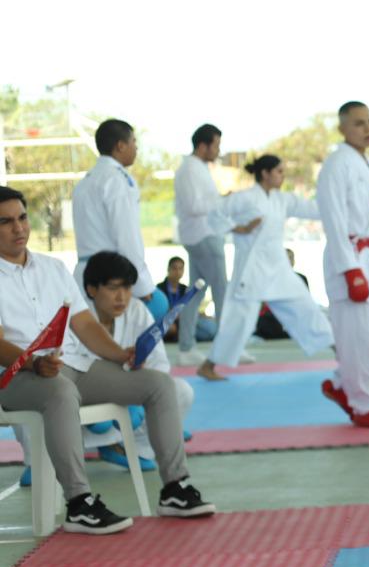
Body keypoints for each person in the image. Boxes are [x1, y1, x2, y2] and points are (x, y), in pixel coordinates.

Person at [0, 187, 215, 534]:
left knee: (158, 385)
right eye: (6, 222)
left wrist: (121, 355)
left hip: (73, 367)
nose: (19, 228)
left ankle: (175, 488)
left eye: (22, 218)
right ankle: (79, 503)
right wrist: (32, 364)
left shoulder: (53, 269)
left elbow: (83, 324)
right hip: (15, 377)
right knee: (59, 392)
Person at [199, 155, 334, 381]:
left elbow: (313, 209)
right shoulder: (246, 198)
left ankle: (338, 349)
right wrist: (237, 228)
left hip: (278, 267)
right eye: (279, 171)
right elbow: (214, 214)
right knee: (240, 320)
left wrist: (339, 203)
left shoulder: (283, 200)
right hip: (252, 270)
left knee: (305, 307)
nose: (283, 176)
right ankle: (208, 365)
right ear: (265, 173)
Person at [317, 101, 369, 428]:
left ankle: (341, 384)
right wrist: (349, 268)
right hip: (348, 254)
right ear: (342, 129)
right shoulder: (337, 163)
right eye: (358, 124)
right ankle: (364, 404)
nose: (367, 129)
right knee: (356, 338)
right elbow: (334, 218)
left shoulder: (366, 162)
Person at [74, 251, 197, 470]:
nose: (122, 297)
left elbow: (159, 364)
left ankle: (135, 447)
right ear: (92, 289)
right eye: (113, 288)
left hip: (127, 391)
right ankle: (39, 461)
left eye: (127, 288)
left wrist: (137, 372)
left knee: (180, 391)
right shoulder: (75, 316)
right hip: (84, 397)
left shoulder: (137, 310)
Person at [71, 119, 166, 321]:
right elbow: (127, 236)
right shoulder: (117, 180)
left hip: (85, 274)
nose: (136, 147)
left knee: (90, 342)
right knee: (117, 344)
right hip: (111, 278)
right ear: (121, 145)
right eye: (133, 141)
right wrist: (141, 284)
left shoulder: (85, 181)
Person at [172, 123, 229, 365]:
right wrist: (223, 201)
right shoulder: (189, 170)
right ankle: (227, 348)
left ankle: (186, 348)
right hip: (203, 236)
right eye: (216, 145)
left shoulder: (198, 168)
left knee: (196, 293)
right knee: (221, 291)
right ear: (203, 145)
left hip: (202, 234)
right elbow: (193, 206)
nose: (218, 150)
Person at [256, 249, 313, 340]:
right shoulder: (270, 278)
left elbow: (306, 302)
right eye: (286, 258)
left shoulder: (301, 278)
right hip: (273, 316)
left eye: (291, 258)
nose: (289, 261)